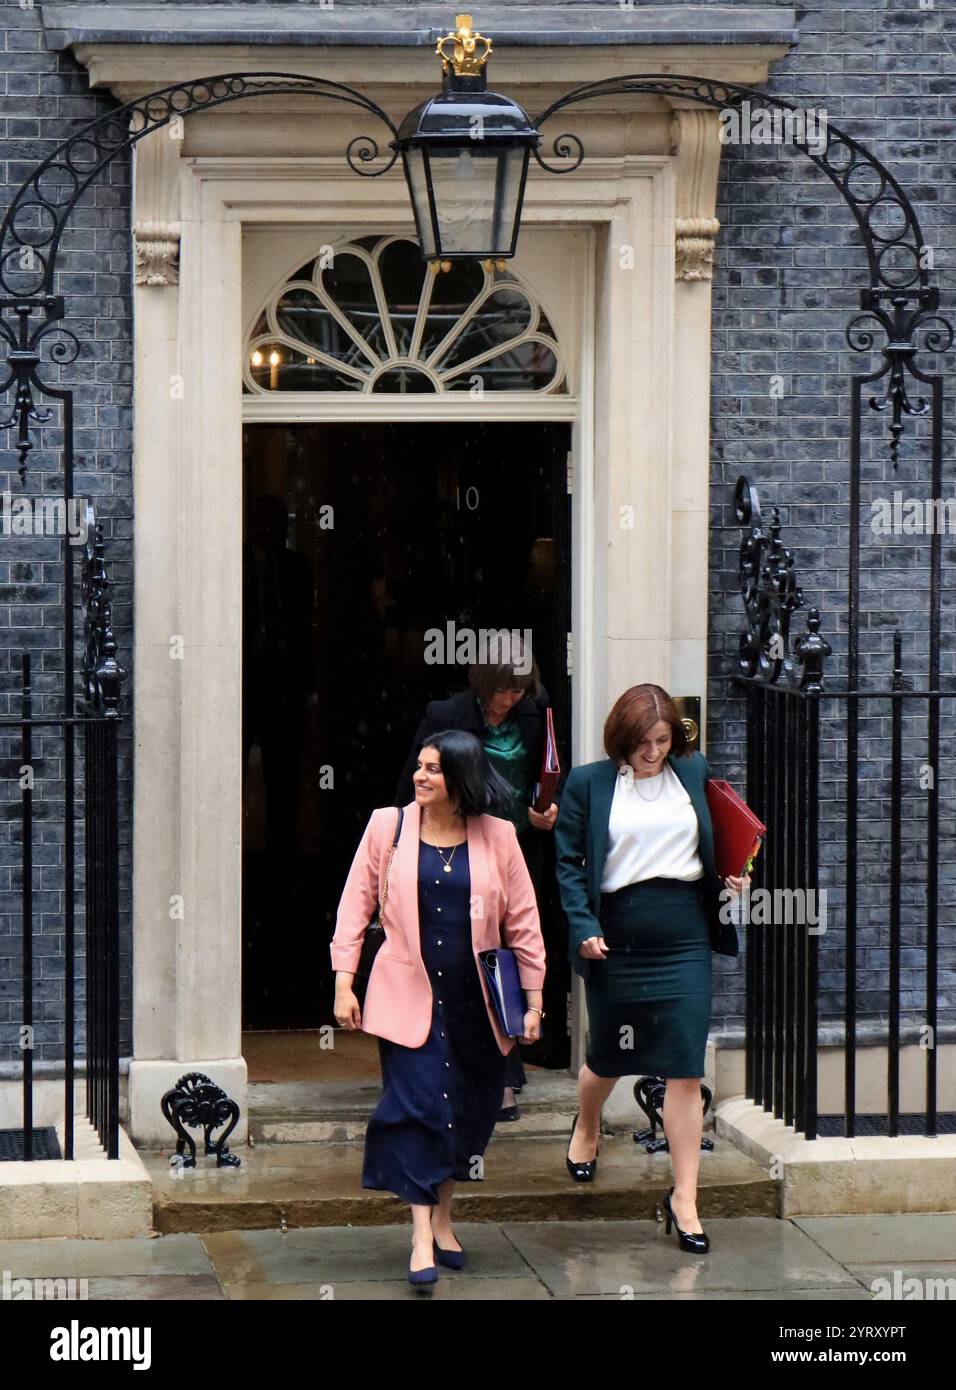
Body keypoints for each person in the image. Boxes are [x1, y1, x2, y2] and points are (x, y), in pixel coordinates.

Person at [332, 729, 547, 1286]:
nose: (420, 777)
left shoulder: (498, 836)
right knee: (420, 1107)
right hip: (408, 997)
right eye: (420, 766)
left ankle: (445, 1219)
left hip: (477, 1002)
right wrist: (344, 982)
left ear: (461, 778)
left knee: (465, 1115)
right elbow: (355, 904)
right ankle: (421, 1237)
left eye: (433, 769)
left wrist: (535, 1000)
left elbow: (523, 922)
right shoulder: (390, 826)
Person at [554, 684, 748, 1254]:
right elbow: (568, 864)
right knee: (609, 1055)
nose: (654, 751)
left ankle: (684, 1198)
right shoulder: (589, 783)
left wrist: (736, 877)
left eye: (663, 740)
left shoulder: (693, 773)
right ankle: (587, 1125)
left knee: (686, 1066)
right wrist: (583, 925)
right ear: (622, 737)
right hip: (616, 935)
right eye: (643, 741)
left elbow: (718, 850)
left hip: (684, 933)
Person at [394, 650, 563, 1117]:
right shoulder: (447, 715)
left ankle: (502, 1072)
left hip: (517, 848)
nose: (509, 700)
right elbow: (415, 784)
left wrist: (548, 808)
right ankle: (455, 1070)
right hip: (459, 848)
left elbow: (549, 772)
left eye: (518, 691)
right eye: (501, 690)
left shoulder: (535, 708)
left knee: (508, 957)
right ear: (481, 682)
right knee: (468, 956)